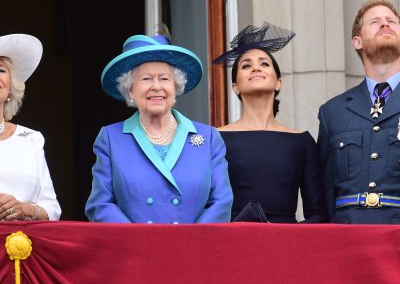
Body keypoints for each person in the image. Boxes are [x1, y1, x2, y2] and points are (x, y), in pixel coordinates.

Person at [86, 33, 232, 223]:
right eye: (146, 79)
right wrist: (140, 242)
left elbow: (221, 202)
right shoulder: (111, 138)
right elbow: (100, 205)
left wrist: (192, 241)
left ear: (176, 86)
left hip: (193, 248)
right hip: (134, 249)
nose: (156, 87)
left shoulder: (209, 137)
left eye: (164, 79)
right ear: (130, 89)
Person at [318, 0, 400, 223]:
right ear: (357, 41)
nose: (385, 24)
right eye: (375, 22)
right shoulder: (333, 112)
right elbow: (325, 193)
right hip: (349, 238)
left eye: (391, 21)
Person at [214, 22, 326, 223]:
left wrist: (288, 238)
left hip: (287, 247)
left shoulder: (302, 142)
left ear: (278, 82)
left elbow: (318, 213)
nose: (256, 67)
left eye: (264, 63)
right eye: (246, 65)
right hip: (232, 244)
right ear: (235, 87)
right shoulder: (216, 138)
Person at [0, 34, 61, 221]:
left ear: (11, 85)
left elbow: (52, 210)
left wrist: (24, 208)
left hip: (23, 247)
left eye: (1, 70)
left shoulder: (31, 139)